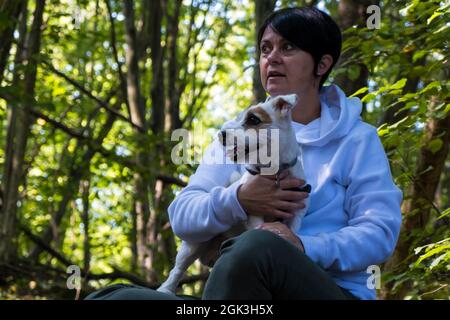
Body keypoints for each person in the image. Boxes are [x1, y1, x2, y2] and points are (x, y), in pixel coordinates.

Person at [86, 7, 402, 300]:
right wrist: (238, 199)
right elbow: (182, 216)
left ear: (323, 64)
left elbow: (379, 234)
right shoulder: (235, 134)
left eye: (288, 47)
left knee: (258, 245)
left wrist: (302, 245)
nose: (272, 58)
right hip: (246, 298)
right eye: (266, 49)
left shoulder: (358, 139)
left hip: (330, 291)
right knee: (115, 297)